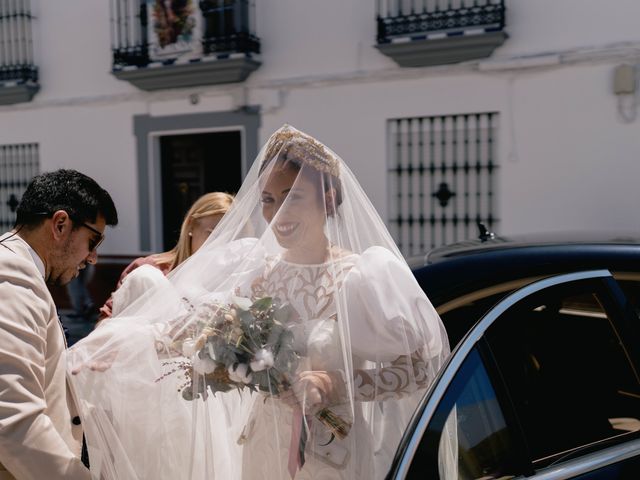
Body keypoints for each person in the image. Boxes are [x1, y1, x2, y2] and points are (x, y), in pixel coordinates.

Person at [68, 126, 451, 479]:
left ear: (328, 198)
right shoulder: (260, 272)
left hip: (336, 452)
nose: (277, 214)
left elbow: (421, 369)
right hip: (263, 444)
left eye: (292, 197)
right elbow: (205, 331)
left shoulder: (361, 276)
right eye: (268, 199)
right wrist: (127, 348)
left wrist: (335, 383)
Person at [0, 169, 118, 479]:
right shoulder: (9, 278)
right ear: (61, 224)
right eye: (93, 241)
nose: (93, 257)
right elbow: (13, 419)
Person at [97, 191, 234, 320]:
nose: (220, 244)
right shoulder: (150, 268)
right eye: (212, 234)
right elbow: (107, 318)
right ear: (191, 226)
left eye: (229, 237)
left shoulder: (233, 280)